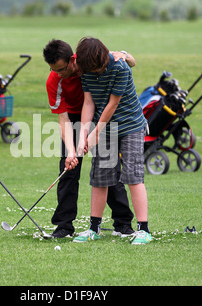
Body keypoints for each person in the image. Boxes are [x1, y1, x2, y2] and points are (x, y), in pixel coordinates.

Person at [43, 39, 136, 239]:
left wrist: (125, 54)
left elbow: (129, 62)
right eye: (53, 69)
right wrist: (71, 150)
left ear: (72, 60)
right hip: (75, 120)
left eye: (61, 69)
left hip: (103, 115)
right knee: (68, 170)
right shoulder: (54, 81)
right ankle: (64, 227)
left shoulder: (90, 60)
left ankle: (123, 223)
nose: (57, 74)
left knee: (108, 169)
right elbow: (63, 119)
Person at [74, 37, 152, 245]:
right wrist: (83, 135)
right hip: (106, 129)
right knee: (101, 177)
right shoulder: (86, 70)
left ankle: (143, 230)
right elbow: (89, 102)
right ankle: (94, 228)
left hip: (131, 126)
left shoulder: (120, 67)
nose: (97, 72)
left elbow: (112, 104)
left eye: (99, 68)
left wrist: (94, 134)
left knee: (133, 175)